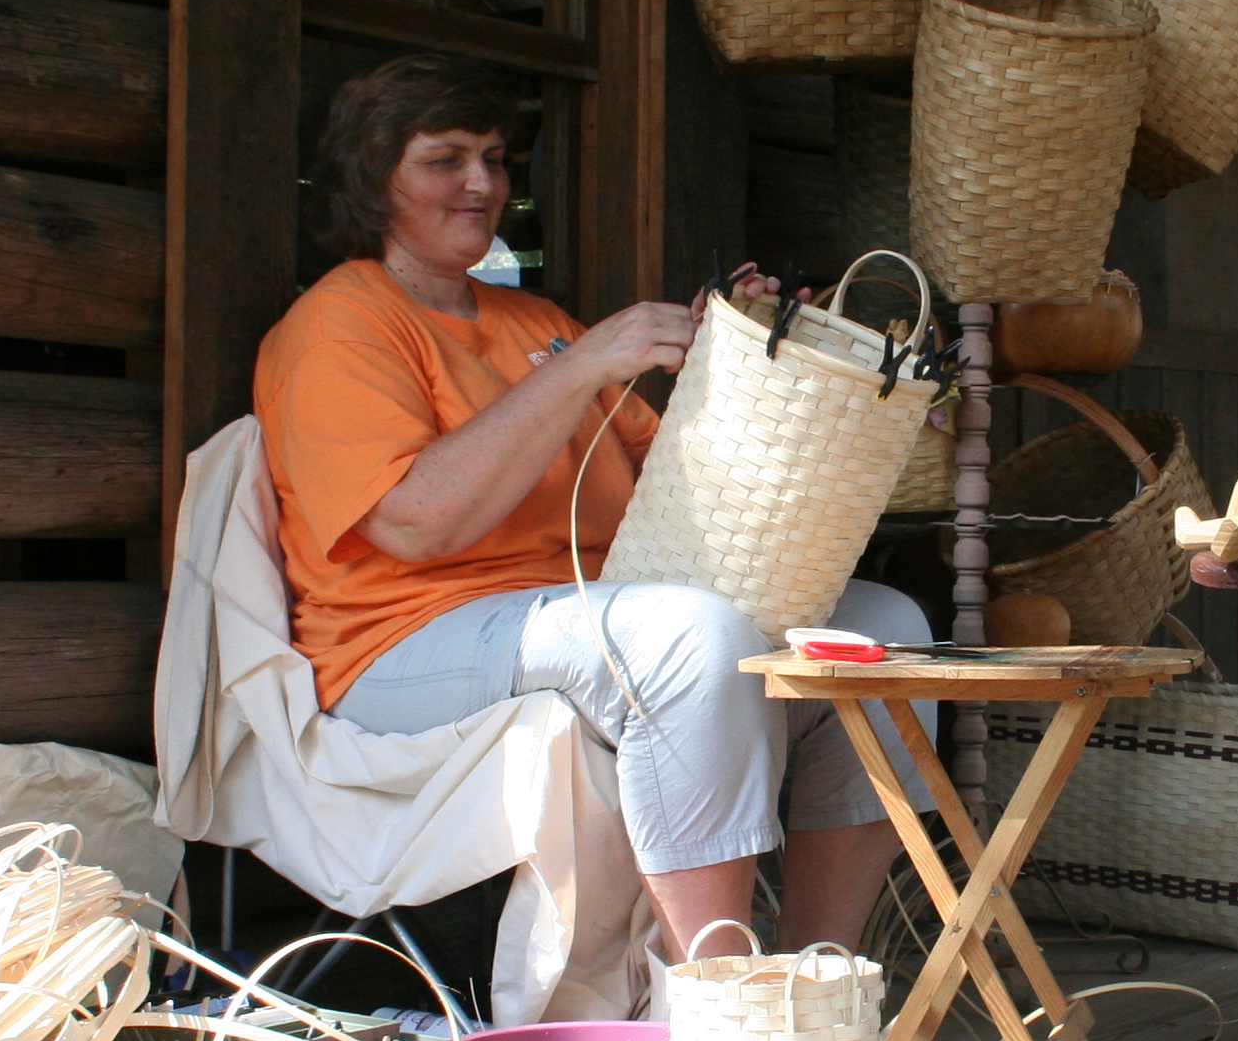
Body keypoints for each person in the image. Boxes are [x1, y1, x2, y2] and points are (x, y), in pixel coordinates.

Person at [253, 55, 931, 966]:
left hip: (579, 611)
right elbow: (414, 522)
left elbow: (677, 486)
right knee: (691, 638)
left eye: (494, 158)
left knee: (885, 630)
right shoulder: (338, 325)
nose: (483, 183)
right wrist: (582, 366)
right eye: (444, 159)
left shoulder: (532, 320)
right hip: (401, 646)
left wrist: (735, 367)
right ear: (373, 178)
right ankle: (720, 993)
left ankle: (818, 978)